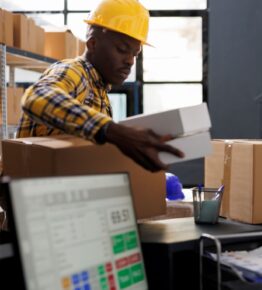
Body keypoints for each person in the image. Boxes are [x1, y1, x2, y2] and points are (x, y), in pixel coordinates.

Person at [17, 0, 183, 172]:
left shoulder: (100, 91)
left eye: (135, 54)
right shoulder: (74, 71)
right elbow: (36, 97)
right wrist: (113, 131)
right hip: (27, 192)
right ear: (93, 44)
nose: (130, 61)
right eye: (122, 49)